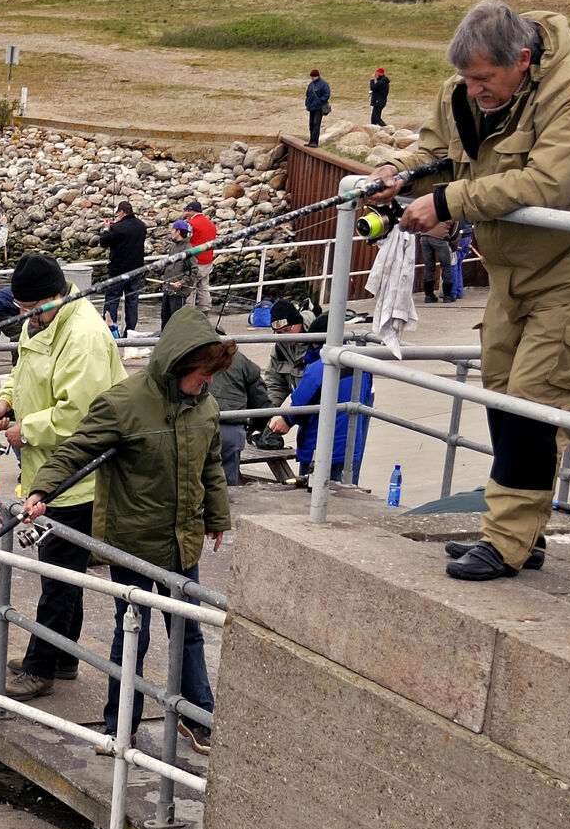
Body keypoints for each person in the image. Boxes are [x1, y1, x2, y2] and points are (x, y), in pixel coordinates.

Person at [371, 0, 570, 581]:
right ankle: (523, 528)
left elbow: (549, 182)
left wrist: (447, 202)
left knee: (535, 399)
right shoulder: (463, 90)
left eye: (484, 80)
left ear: (522, 60)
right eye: (466, 78)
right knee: (500, 390)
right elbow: (437, 153)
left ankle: (508, 540)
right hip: (511, 268)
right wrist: (398, 172)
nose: (472, 90)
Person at [26, 305, 232, 755]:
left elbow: (211, 465)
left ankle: (199, 715)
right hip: (133, 543)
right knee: (131, 633)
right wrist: (42, 490)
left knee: (189, 630)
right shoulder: (122, 402)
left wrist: (217, 516)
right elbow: (75, 450)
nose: (208, 383)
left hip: (184, 540)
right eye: (202, 374)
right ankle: (119, 725)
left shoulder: (208, 407)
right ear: (178, 364)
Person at [0, 253, 123, 698]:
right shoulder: (41, 323)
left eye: (32, 309)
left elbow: (79, 415)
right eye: (21, 310)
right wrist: (5, 401)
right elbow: (24, 372)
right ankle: (64, 655)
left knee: (61, 576)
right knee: (63, 572)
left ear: (58, 296)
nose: (27, 318)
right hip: (46, 471)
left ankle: (40, 667)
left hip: (78, 477)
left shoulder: (82, 335)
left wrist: (24, 431)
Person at [264, 320, 377, 489]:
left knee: (311, 494)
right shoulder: (362, 365)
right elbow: (367, 396)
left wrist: (286, 421)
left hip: (318, 446)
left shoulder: (319, 368)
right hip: (349, 446)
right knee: (345, 494)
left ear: (316, 341)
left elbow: (302, 402)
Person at [207, 342, 270, 486]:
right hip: (230, 428)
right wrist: (257, 426)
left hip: (193, 426)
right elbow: (260, 400)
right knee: (227, 487)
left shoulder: (187, 352)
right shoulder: (240, 359)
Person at [98, 200, 148, 336]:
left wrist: (107, 229)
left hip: (118, 271)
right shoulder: (141, 226)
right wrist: (117, 226)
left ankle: (111, 331)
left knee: (112, 300)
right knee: (132, 301)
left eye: (118, 214)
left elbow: (103, 242)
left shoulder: (117, 228)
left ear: (121, 212)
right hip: (136, 270)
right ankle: (130, 331)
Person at [172, 199, 217, 315]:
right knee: (204, 288)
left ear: (192, 211)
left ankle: (189, 313)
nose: (186, 213)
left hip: (195, 261)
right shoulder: (211, 225)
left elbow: (186, 241)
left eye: (187, 210)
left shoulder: (191, 224)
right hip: (208, 261)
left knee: (189, 289)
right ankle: (204, 312)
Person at [417, 228, 453, 304]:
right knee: (446, 265)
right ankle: (447, 295)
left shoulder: (426, 214)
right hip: (440, 237)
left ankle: (429, 296)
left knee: (429, 265)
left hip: (424, 236)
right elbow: (455, 230)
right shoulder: (449, 215)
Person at [305, 67, 331, 146]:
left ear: (316, 76)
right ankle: (311, 141)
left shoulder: (323, 84)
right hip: (311, 107)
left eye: (312, 76)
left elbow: (327, 95)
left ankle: (314, 142)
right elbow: (308, 95)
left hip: (318, 108)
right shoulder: (311, 85)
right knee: (311, 124)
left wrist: (319, 102)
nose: (311, 78)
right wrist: (307, 103)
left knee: (316, 124)